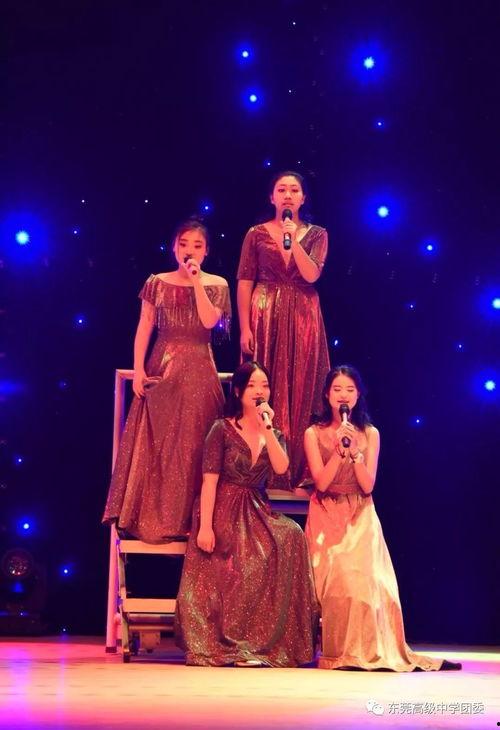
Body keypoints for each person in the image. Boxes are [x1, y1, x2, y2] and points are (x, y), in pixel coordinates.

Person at [304, 365, 461, 671]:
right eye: (337, 389)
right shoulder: (314, 433)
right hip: (327, 512)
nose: (343, 395)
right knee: (341, 579)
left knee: (373, 583)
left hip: (360, 511)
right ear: (326, 395)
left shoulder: (370, 433)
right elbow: (321, 483)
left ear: (358, 395)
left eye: (349, 389)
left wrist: (355, 454)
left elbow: (367, 485)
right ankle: (343, 651)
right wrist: (337, 452)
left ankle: (371, 649)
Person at [175, 361, 318, 667]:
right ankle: (235, 641)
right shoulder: (222, 429)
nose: (258, 391)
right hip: (223, 506)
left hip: (255, 507)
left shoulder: (273, 432)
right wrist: (205, 527)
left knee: (292, 535)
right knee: (245, 559)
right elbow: (209, 481)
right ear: (239, 391)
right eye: (252, 385)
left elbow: (281, 468)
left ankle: (260, 641)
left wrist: (267, 429)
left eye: (264, 385)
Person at [102, 219, 231, 543]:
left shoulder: (217, 284)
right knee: (158, 444)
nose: (190, 250)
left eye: (197, 245)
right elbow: (145, 325)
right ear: (174, 247)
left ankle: (193, 520)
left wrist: (196, 281)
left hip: (199, 368)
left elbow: (209, 321)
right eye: (184, 244)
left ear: (207, 251)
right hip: (163, 364)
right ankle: (152, 517)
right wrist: (138, 369)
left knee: (195, 443)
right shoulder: (157, 282)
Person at [237, 171, 330, 489]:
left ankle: (298, 468)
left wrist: (295, 241)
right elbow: (245, 281)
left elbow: (311, 275)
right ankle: (262, 468)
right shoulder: (256, 234)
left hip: (303, 314)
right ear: (272, 197)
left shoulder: (317, 234)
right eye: (281, 189)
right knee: (265, 381)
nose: (288, 195)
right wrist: (245, 326)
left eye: (294, 190)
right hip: (265, 311)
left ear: (303, 198)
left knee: (301, 382)